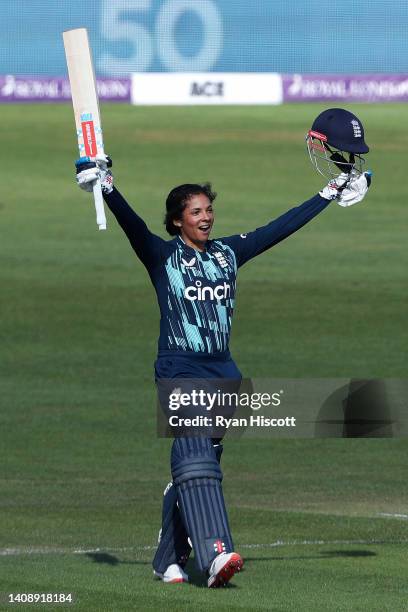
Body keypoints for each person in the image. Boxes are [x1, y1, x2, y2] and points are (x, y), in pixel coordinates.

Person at [75, 108, 371, 588]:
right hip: (179, 368)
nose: (206, 217)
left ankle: (166, 558)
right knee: (196, 460)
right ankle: (216, 555)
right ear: (176, 221)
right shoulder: (161, 255)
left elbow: (281, 227)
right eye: (196, 212)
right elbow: (130, 223)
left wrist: (328, 193)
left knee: (197, 468)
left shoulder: (229, 253)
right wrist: (104, 185)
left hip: (223, 374)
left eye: (209, 210)